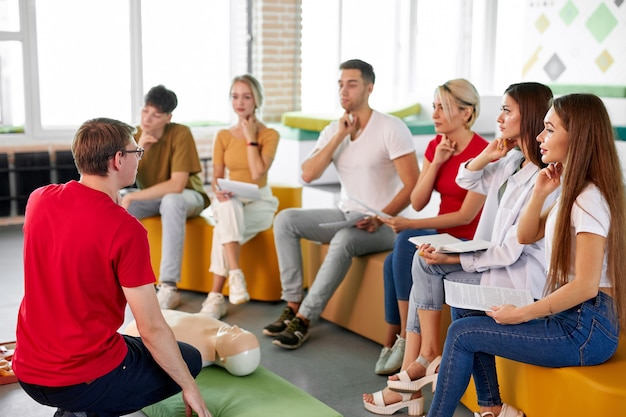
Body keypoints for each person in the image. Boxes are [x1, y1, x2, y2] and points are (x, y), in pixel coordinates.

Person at [424, 93, 626, 417]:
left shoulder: (589, 200)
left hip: (586, 328)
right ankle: (491, 408)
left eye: (549, 129)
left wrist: (523, 313)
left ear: (576, 136)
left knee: (462, 335)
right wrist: (541, 192)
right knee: (467, 309)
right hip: (572, 316)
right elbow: (526, 234)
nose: (538, 137)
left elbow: (587, 286)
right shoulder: (572, 192)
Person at [363, 82, 555, 415]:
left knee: (444, 280)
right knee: (423, 262)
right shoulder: (512, 162)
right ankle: (427, 357)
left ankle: (428, 367)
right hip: (497, 262)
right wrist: (486, 156)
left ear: (531, 117)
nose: (499, 117)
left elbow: (512, 250)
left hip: (520, 278)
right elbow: (466, 180)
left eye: (507, 110)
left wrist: (455, 257)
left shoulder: (544, 178)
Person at [12, 118, 211, 417]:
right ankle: (83, 408)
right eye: (136, 152)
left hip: (27, 369)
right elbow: (152, 328)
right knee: (189, 359)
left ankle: (76, 407)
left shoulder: (39, 199)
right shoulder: (126, 230)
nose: (138, 159)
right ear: (118, 159)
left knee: (125, 345)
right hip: (79, 380)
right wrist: (189, 387)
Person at [262, 59, 420, 350]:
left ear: (369, 87)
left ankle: (304, 320)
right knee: (286, 220)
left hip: (385, 224)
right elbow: (308, 173)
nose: (343, 90)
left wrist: (380, 216)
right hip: (345, 214)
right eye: (340, 84)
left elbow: (414, 185)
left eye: (352, 83)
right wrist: (339, 136)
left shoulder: (390, 127)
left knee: (345, 239)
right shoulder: (335, 130)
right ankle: (293, 305)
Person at [374, 79, 488, 375]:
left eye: (443, 107)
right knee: (391, 262)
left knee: (405, 240)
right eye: (434, 106)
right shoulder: (436, 145)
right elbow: (418, 199)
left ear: (466, 113)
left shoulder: (483, 152)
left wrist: (410, 223)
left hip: (466, 237)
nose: (434, 114)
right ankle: (392, 340)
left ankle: (404, 340)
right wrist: (436, 162)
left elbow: (465, 216)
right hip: (441, 233)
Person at [122, 85, 210, 310]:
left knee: (170, 200)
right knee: (117, 201)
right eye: (145, 111)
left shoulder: (180, 133)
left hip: (188, 197)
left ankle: (169, 286)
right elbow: (124, 180)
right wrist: (138, 151)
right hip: (154, 197)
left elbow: (177, 185)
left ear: (168, 117)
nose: (147, 118)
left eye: (156, 115)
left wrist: (134, 197)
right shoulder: (134, 136)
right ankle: (123, 278)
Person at [201, 74, 280, 319]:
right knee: (228, 208)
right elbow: (215, 178)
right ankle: (235, 276)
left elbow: (257, 173)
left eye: (246, 96)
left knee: (222, 230)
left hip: (260, 203)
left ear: (257, 100)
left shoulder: (269, 135)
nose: (240, 102)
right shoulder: (222, 136)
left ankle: (215, 298)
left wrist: (251, 138)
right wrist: (218, 191)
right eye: (235, 96)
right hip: (229, 200)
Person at [125, 309, 261, 376]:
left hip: (139, 328)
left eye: (234, 336)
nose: (235, 328)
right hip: (151, 315)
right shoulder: (222, 329)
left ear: (224, 358)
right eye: (241, 330)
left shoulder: (194, 352)